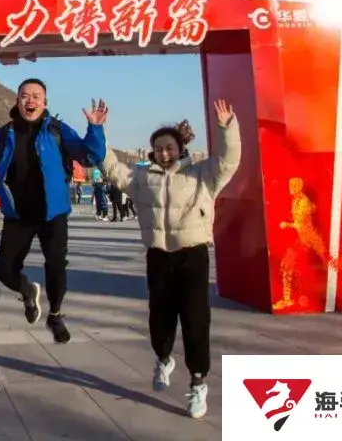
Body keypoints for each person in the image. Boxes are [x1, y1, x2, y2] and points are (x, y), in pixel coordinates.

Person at [99, 100, 241, 420]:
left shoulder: (202, 174)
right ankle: (163, 359)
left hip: (193, 255)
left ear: (180, 148)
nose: (164, 153)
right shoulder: (142, 178)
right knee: (159, 318)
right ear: (152, 151)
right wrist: (99, 132)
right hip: (158, 256)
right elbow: (112, 169)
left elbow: (229, 159)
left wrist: (227, 126)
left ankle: (198, 383)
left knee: (195, 320)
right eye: (159, 148)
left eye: (169, 147)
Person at [0, 79, 107, 344]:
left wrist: (95, 129)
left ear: (45, 102)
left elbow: (90, 157)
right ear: (17, 101)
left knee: (56, 265)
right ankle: (28, 291)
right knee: (6, 271)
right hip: (18, 215)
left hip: (52, 214)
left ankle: (55, 316)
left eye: (36, 96)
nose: (30, 100)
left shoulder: (57, 130)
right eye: (25, 95)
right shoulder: (3, 135)